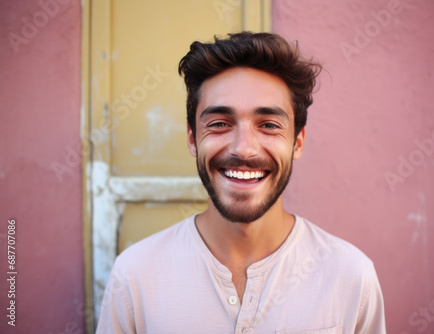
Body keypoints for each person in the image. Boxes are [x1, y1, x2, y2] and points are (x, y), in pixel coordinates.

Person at [96, 31, 386, 333]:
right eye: (220, 124)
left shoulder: (350, 276)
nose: (243, 148)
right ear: (193, 139)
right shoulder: (135, 276)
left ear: (297, 143)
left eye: (269, 125)